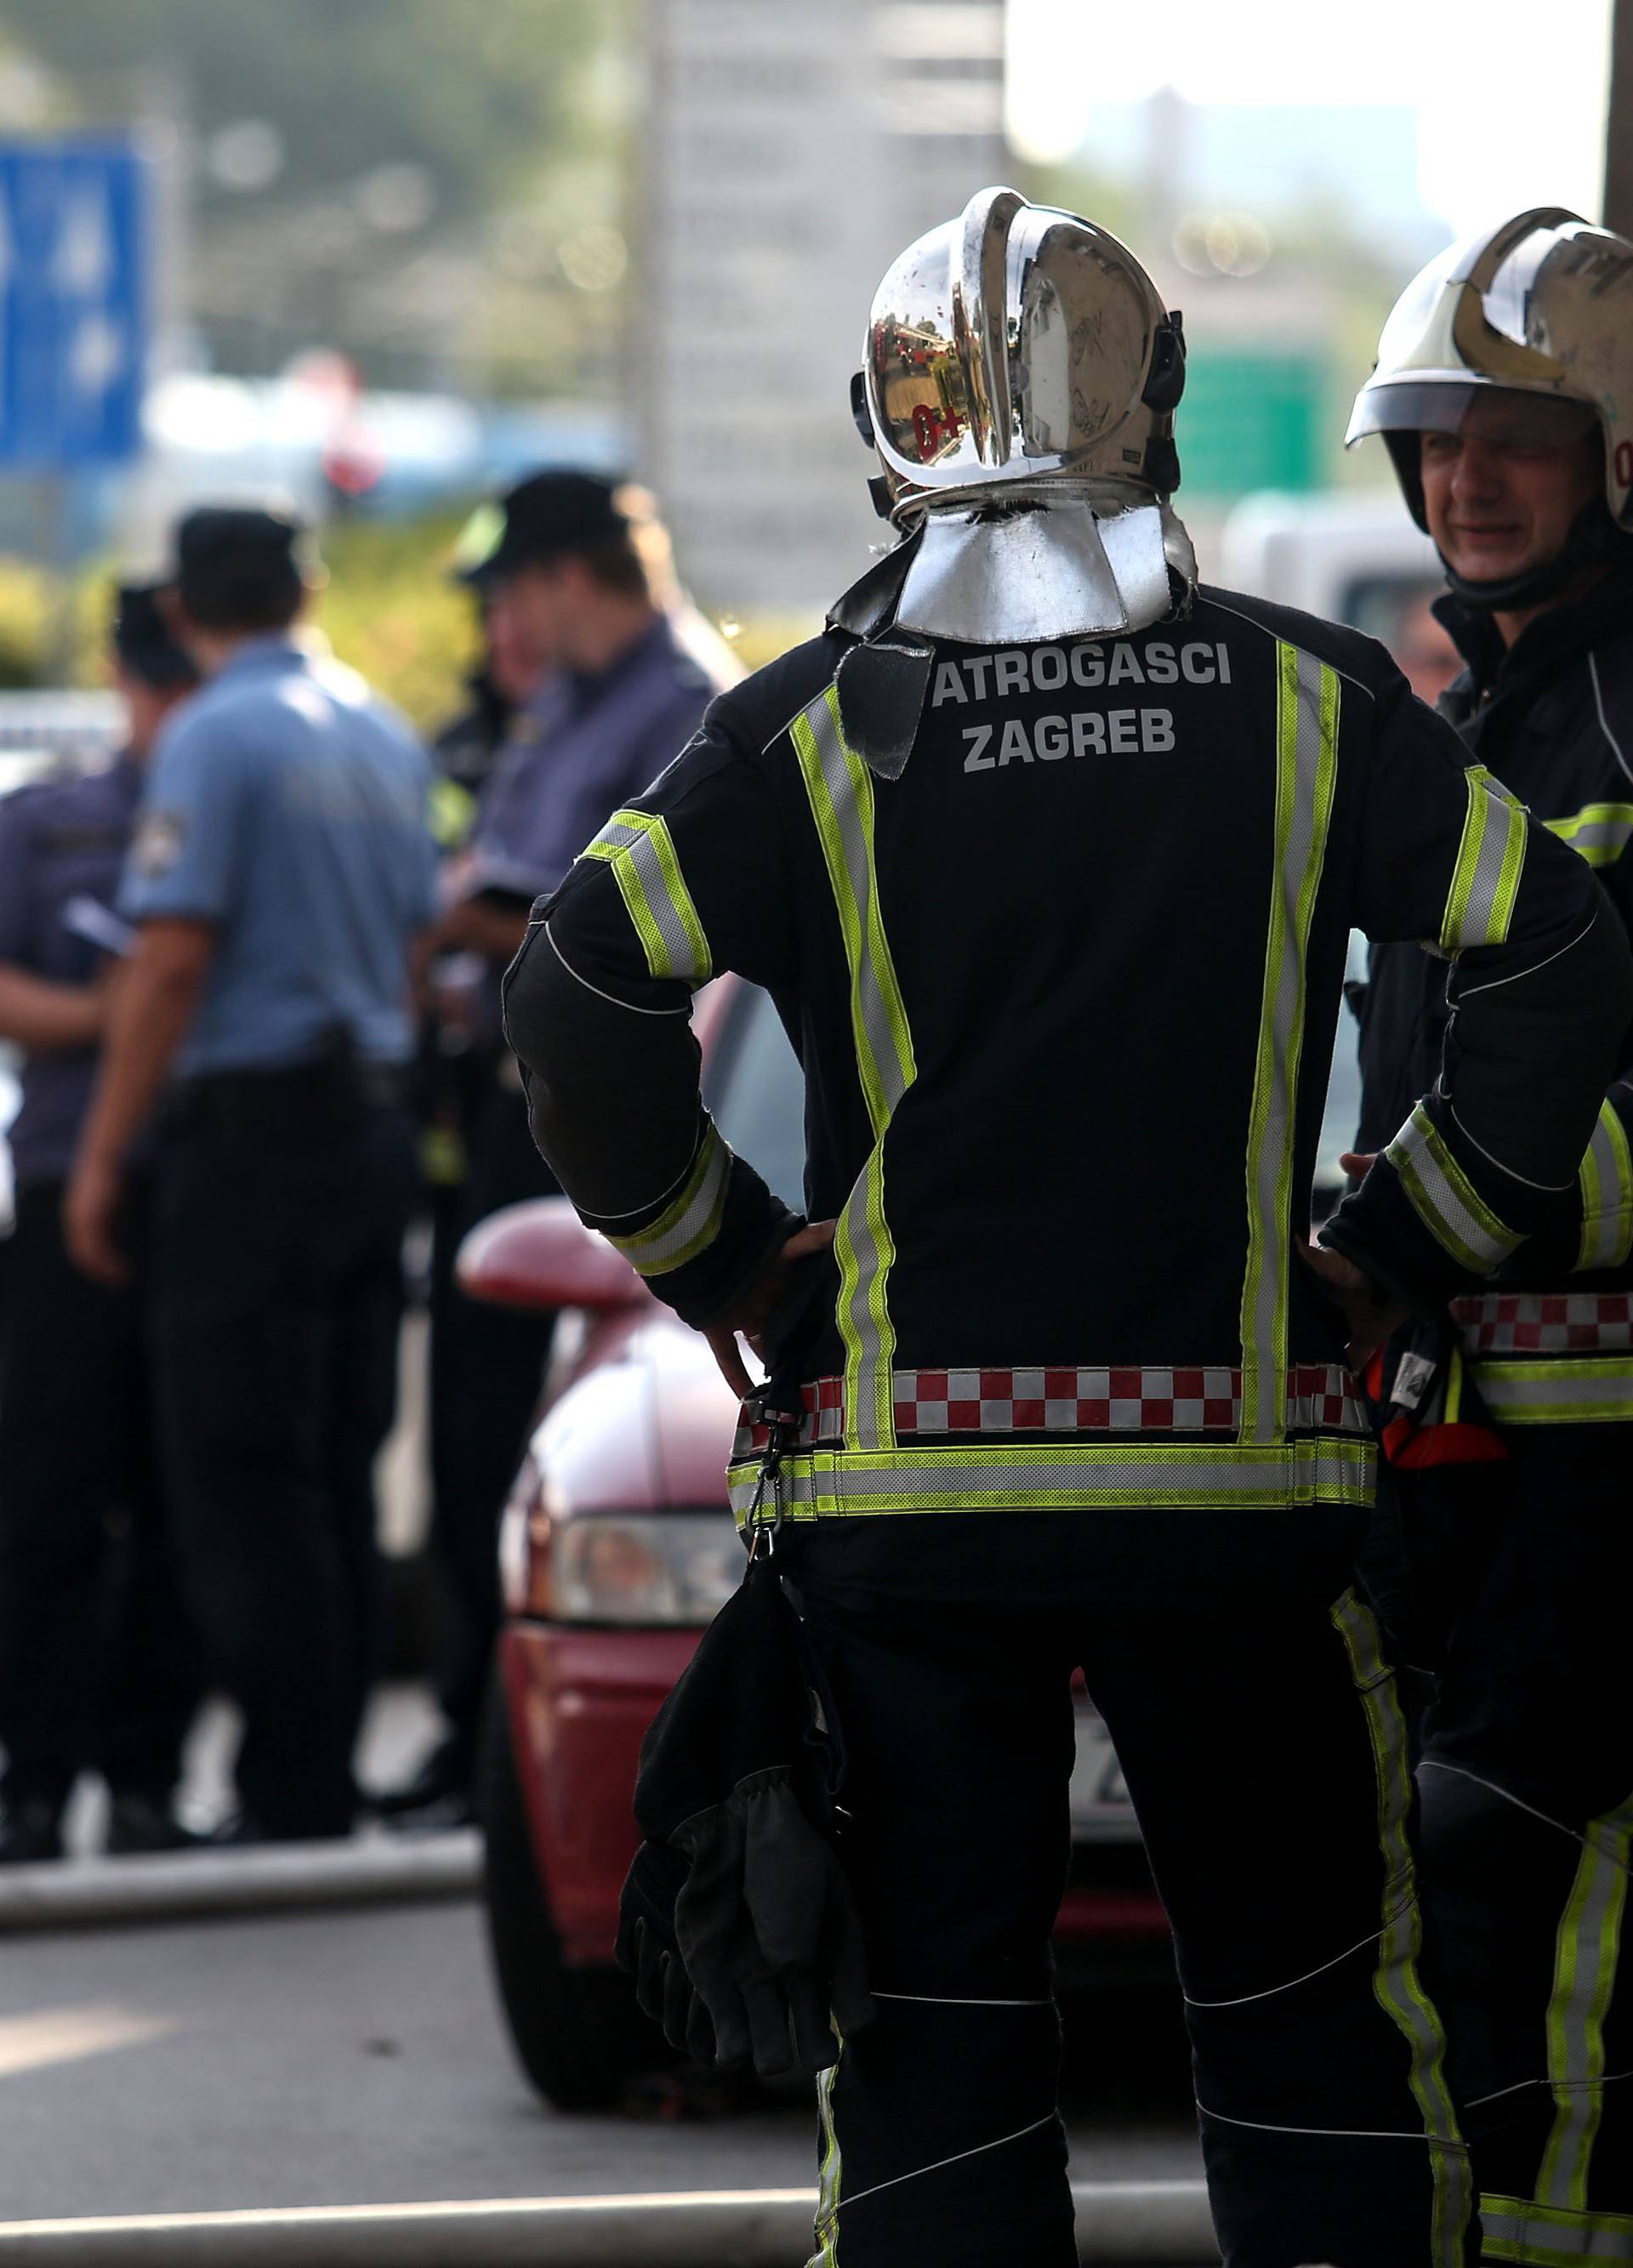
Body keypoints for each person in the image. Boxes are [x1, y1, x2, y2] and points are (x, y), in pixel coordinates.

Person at [501, 189, 1632, 2268]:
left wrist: (728, 1255)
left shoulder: (807, 730)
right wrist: (1410, 1240)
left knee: (935, 2058)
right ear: (1164, 402)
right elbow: (1555, 949)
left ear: (893, 426)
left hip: (911, 1526)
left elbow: (574, 992)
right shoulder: (1315, 705)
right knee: (1315, 2055)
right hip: (1248, 1516)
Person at [1345, 208, 1633, 2265]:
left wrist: (1410, 1232)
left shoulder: (1623, 717)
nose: (1469, 479)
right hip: (1486, 1442)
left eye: (1517, 435)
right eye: (1436, 442)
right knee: (1463, 1908)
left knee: (1553, 1898)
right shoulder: (1489, 722)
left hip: (1613, 1453)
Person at [65, 509, 436, 1845]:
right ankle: (314, 1779)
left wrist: (103, 1159)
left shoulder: (214, 735)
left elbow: (168, 962)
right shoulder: (382, 732)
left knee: (242, 1477)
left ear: (179, 611)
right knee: (334, 1469)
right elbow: (413, 948)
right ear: (310, 587)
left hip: (251, 1144)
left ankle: (287, 1796)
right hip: (368, 1126)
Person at [383, 470, 735, 1825]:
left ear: (573, 578)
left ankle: (498, 1750)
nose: (511, 624)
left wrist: (468, 930)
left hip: (588, 1121)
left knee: (535, 1440)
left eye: (519, 590)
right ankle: (471, 1730)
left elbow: (600, 925)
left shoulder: (686, 706)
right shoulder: (576, 707)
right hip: (499, 1104)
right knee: (475, 1436)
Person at [0, 585, 202, 1862]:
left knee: (178, 1501)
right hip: (64, 1180)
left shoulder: (233, 800)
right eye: (158, 687)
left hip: (193, 1187)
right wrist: (110, 1021)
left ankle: (145, 1782)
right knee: (46, 1502)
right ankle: (33, 1785)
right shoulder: (49, 819)